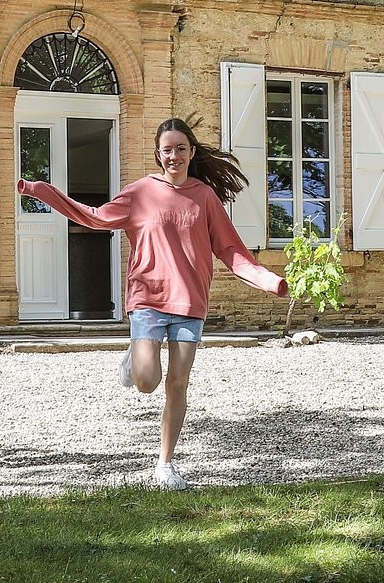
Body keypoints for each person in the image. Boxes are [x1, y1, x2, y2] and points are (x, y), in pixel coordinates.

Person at [16, 116, 287, 489]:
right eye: (166, 150)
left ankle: (165, 464)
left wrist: (268, 280)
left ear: (191, 152)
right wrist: (42, 191)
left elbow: (229, 248)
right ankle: (135, 357)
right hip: (148, 298)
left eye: (180, 148)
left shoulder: (204, 197)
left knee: (178, 383)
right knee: (147, 381)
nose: (173, 155)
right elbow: (95, 218)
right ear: (158, 155)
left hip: (190, 302)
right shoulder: (141, 192)